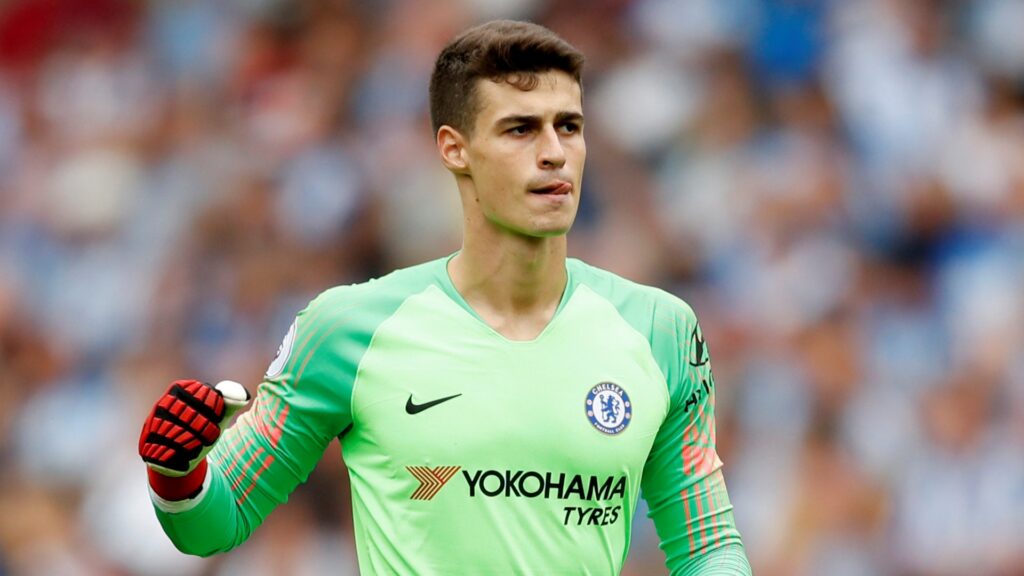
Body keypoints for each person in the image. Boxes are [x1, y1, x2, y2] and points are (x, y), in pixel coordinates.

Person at [138, 19, 752, 575]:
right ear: (454, 149)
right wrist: (177, 477)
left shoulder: (659, 329)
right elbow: (216, 522)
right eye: (520, 129)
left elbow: (706, 546)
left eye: (569, 126)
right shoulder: (348, 328)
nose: (554, 152)